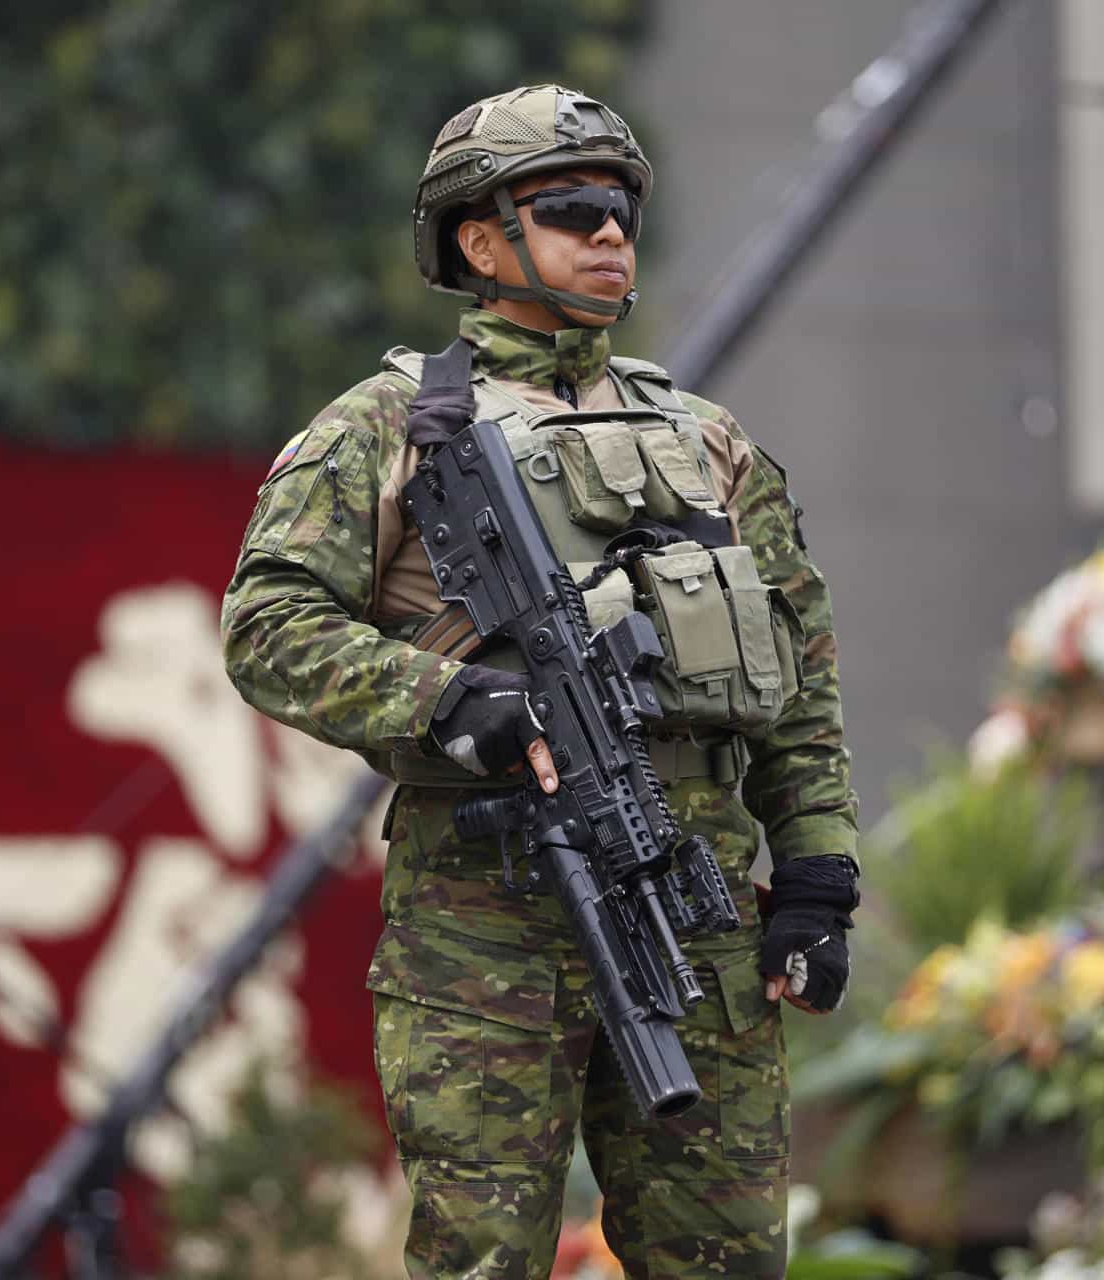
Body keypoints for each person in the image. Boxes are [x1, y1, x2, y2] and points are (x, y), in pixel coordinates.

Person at [220, 84, 859, 1278]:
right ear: (480, 238)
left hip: (700, 907)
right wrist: (445, 701)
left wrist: (818, 869)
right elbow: (267, 625)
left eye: (621, 210)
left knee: (726, 1262)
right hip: (487, 929)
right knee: (483, 1261)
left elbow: (799, 664)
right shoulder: (387, 431)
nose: (610, 234)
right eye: (571, 209)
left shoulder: (705, 439)